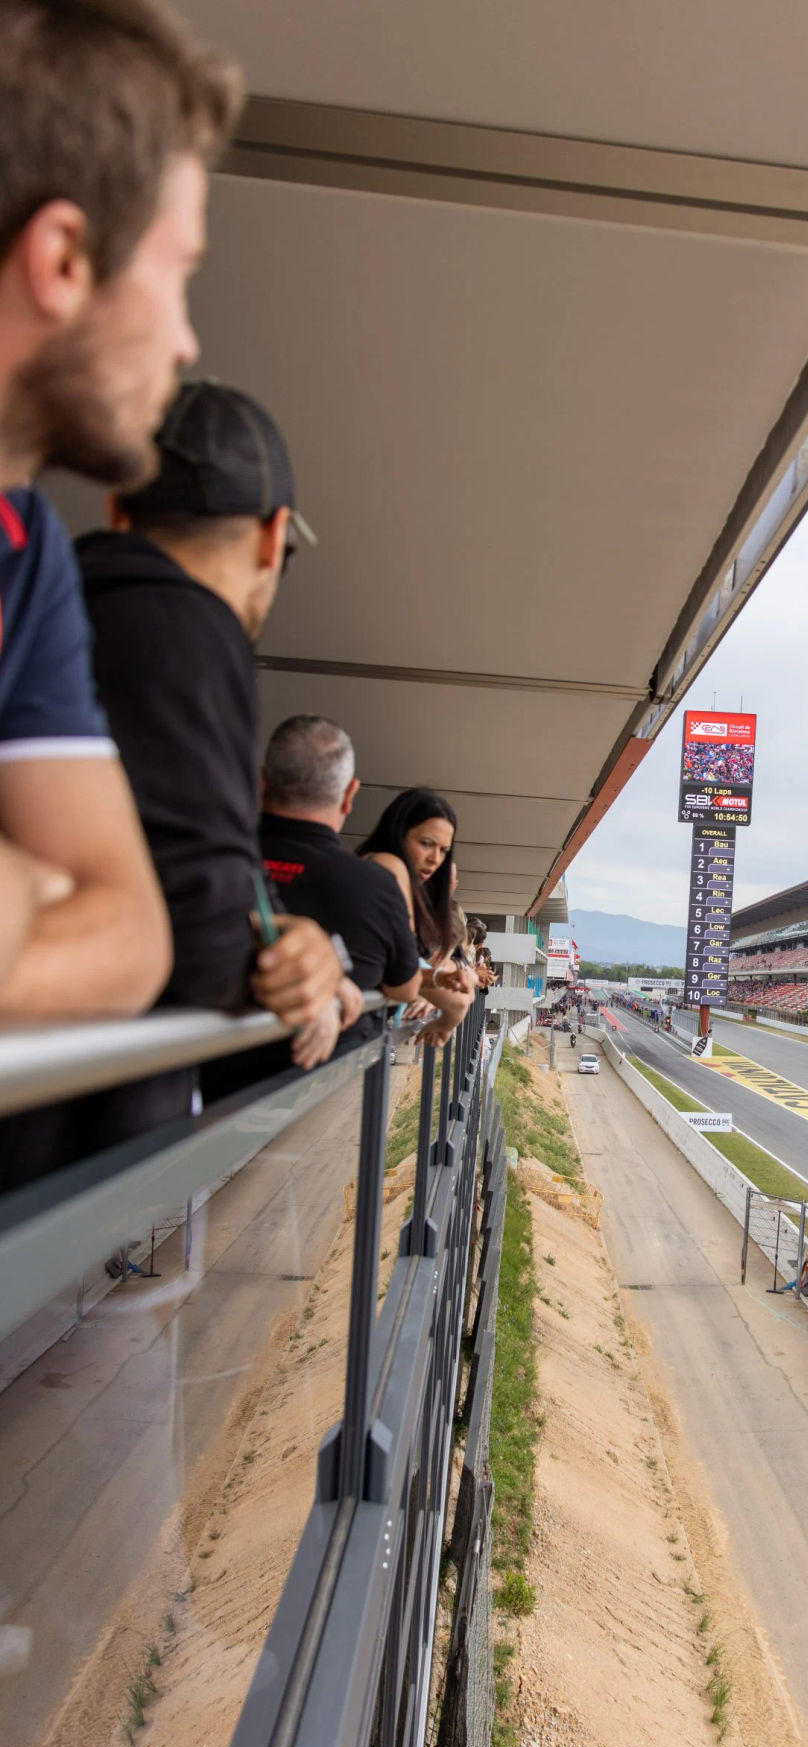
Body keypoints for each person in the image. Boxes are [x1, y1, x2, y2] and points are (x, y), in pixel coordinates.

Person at [0, 0, 243, 1020]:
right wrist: (26, 884)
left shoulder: (27, 547)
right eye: (178, 273)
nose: (186, 341)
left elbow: (131, 938)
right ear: (64, 259)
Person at [79, 381, 344, 1063]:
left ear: (117, 513)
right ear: (272, 536)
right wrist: (297, 980)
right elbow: (197, 943)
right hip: (91, 1137)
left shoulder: (51, 596)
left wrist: (276, 934)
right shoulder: (196, 630)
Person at [258, 715, 421, 1008]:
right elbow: (406, 988)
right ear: (349, 794)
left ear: (262, 783)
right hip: (334, 1051)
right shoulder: (378, 884)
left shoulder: (212, 862)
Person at [358, 788, 477, 1044]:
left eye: (444, 850)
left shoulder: (384, 869)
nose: (435, 859)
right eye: (426, 844)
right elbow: (403, 978)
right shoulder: (389, 868)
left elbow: (404, 969)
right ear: (398, 832)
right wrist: (436, 987)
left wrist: (440, 978)